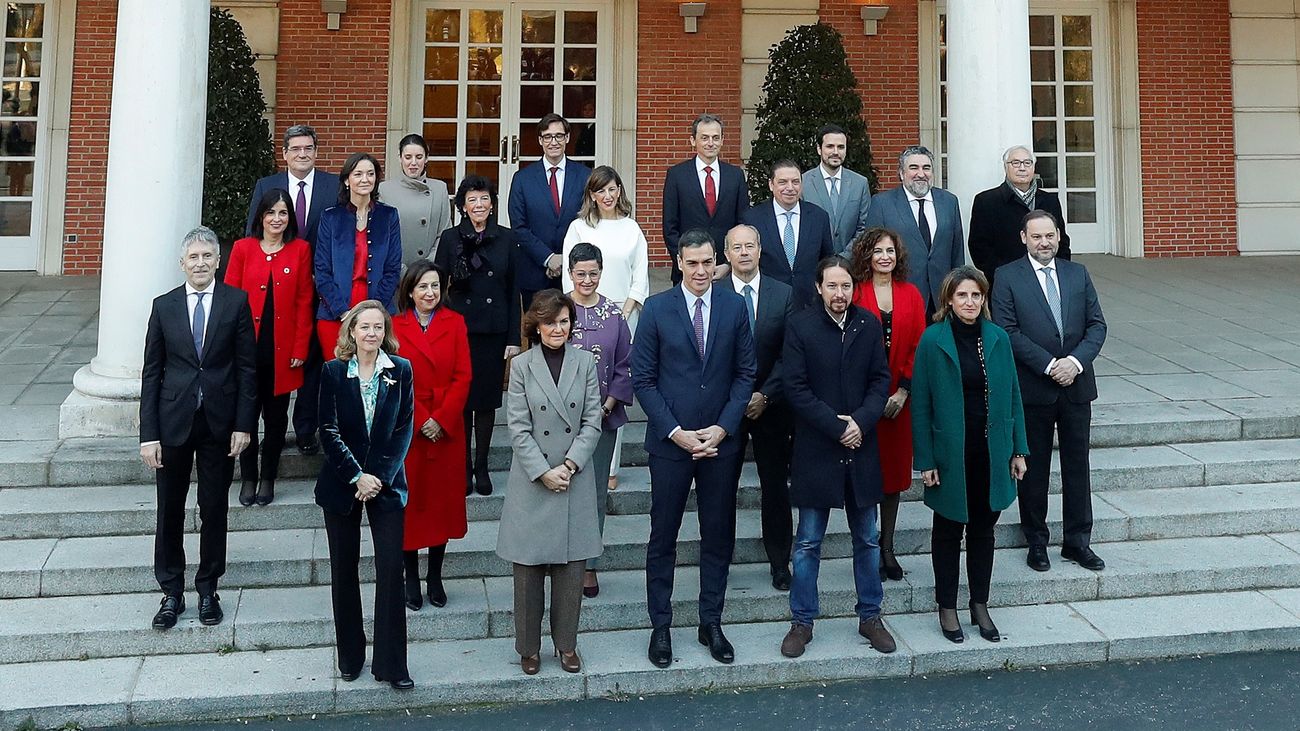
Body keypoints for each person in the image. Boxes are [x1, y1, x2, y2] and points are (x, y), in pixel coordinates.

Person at [632, 229, 755, 669]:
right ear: (679, 263)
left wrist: (722, 428)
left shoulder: (734, 306)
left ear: (716, 261)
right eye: (693, 263)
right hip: (671, 445)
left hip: (720, 444)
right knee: (662, 537)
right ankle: (660, 626)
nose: (701, 271)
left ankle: (711, 621)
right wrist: (676, 432)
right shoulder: (657, 309)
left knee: (717, 535)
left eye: (708, 262)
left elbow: (745, 374)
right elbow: (642, 379)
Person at [778, 256, 896, 658]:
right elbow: (795, 387)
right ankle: (802, 622)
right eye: (832, 286)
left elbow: (881, 380)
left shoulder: (868, 325)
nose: (839, 294)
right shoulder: (801, 326)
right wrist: (836, 425)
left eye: (845, 286)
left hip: (861, 449)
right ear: (819, 288)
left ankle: (870, 616)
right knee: (808, 541)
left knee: (867, 538)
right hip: (817, 449)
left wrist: (860, 423)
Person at [139, 226, 256, 630]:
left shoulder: (236, 302)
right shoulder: (164, 306)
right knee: (169, 511)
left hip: (220, 425)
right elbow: (151, 373)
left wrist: (244, 425)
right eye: (194, 257)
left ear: (218, 261)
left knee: (214, 509)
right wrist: (147, 435)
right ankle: (171, 592)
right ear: (182, 263)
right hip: (172, 424)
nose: (201, 263)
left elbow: (247, 368)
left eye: (208, 256)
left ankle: (208, 589)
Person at [911, 266, 1028, 644]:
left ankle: (980, 603)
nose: (970, 302)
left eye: (976, 295)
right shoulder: (933, 340)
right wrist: (925, 460)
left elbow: (1012, 395)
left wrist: (1019, 449)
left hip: (990, 452)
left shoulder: (997, 338)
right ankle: (947, 606)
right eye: (962, 295)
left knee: (983, 531)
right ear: (949, 299)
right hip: (950, 454)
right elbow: (922, 404)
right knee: (947, 532)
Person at [991, 210, 1107, 573]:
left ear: (1058, 237)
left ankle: (1077, 542)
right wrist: (1048, 365)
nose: (1044, 243)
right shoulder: (1007, 276)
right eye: (1037, 236)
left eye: (1050, 236)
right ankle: (1036, 542)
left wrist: (1074, 363)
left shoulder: (1077, 273)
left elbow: (1097, 326)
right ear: (1024, 238)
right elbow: (1008, 331)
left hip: (1076, 386)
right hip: (1033, 388)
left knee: (1077, 467)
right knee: (1034, 469)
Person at [497, 289, 604, 676]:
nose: (558, 328)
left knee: (571, 571)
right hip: (533, 479)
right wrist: (544, 470)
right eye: (550, 322)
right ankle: (528, 648)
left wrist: (571, 464)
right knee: (527, 573)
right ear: (536, 326)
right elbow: (518, 427)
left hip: (574, 477)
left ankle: (567, 645)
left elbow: (593, 419)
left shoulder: (585, 363)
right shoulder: (522, 366)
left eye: (564, 321)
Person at [315, 300, 415, 690]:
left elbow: (403, 429)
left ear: (385, 332)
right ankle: (350, 657)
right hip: (343, 484)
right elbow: (328, 429)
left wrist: (377, 476)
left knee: (391, 570)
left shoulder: (401, 371)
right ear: (351, 332)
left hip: (386, 485)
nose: (371, 334)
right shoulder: (334, 372)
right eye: (364, 327)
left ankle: (392, 665)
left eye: (378, 327)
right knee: (344, 570)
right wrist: (357, 475)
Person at [246, 124, 342, 456]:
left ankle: (305, 429)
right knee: (277, 360)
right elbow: (252, 234)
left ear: (316, 151)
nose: (302, 154)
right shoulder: (266, 186)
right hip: (280, 291)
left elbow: (340, 237)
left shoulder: (333, 186)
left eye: (309, 148)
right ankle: (266, 428)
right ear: (285, 153)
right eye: (296, 149)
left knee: (313, 362)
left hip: (324, 288)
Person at [560, 164, 649, 491]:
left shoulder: (632, 229)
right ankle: (574, 457)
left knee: (616, 386)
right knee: (580, 387)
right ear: (592, 195)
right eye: (601, 191)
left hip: (623, 318)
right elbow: (569, 274)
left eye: (613, 189)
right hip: (581, 318)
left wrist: (621, 313)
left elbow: (640, 276)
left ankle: (610, 466)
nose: (608, 196)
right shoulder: (579, 228)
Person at [224, 189, 314, 507]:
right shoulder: (242, 249)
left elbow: (305, 302)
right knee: (245, 417)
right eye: (271, 212)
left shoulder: (300, 250)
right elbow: (229, 301)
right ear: (260, 216)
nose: (277, 219)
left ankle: (267, 477)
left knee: (276, 422)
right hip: (246, 352)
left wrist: (301, 348)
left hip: (283, 353)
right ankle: (248, 476)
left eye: (283, 213)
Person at [391, 260, 472, 610]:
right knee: (412, 504)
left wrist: (441, 418)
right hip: (410, 426)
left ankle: (435, 576)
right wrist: (422, 418)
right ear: (410, 290)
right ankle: (410, 576)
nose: (430, 293)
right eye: (423, 286)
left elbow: (463, 376)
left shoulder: (455, 323)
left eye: (436, 286)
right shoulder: (394, 327)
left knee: (441, 505)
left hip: (447, 428)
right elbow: (392, 376)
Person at [434, 175, 522, 496]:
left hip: (493, 332)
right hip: (458, 331)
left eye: (484, 199)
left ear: (492, 204)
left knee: (485, 402)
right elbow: (437, 287)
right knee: (460, 402)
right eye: (472, 200)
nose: (479, 205)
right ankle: (461, 467)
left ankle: (481, 466)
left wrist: (514, 338)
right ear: (462, 206)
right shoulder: (450, 238)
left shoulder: (507, 239)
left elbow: (514, 292)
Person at [849, 227, 926, 581]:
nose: (885, 257)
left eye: (890, 251)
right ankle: (865, 546)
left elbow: (918, 346)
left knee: (894, 478)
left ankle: (887, 547)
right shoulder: (855, 292)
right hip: (862, 403)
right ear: (866, 255)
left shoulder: (911, 294)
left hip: (899, 403)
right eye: (878, 251)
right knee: (866, 476)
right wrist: (872, 399)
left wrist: (903, 392)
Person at [723, 223, 795, 590]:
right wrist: (739, 399)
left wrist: (765, 394)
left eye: (750, 245)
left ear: (760, 248)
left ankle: (780, 561)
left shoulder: (783, 294)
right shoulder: (715, 293)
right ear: (727, 254)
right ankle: (719, 560)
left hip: (772, 406)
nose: (745, 252)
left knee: (775, 488)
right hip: (726, 411)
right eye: (737, 247)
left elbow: (791, 353)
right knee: (722, 488)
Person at [566, 243, 633, 598]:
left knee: (592, 495)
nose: (587, 279)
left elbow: (625, 366)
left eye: (593, 273)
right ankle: (561, 562)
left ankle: (589, 565)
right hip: (558, 422)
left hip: (601, 420)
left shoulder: (613, 314)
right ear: (571, 274)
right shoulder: (558, 310)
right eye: (581, 274)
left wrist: (604, 408)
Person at [313, 152, 403, 356]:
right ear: (347, 180)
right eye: (358, 174)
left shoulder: (389, 216)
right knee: (340, 379)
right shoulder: (330, 217)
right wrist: (343, 312)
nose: (365, 179)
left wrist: (375, 312)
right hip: (335, 313)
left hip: (379, 312)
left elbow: (392, 268)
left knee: (375, 378)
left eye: (370, 174)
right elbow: (322, 270)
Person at [864, 146, 965, 317]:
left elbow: (957, 252)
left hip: (942, 299)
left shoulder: (949, 202)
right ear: (902, 173)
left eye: (926, 168)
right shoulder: (882, 204)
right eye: (913, 168)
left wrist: (958, 290)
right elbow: (870, 254)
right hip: (899, 297)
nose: (921, 173)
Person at [508, 113, 593, 308]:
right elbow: (519, 227)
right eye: (547, 136)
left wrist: (567, 259)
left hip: (577, 273)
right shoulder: (522, 179)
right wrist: (548, 258)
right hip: (535, 273)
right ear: (540, 140)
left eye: (558, 136)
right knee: (538, 334)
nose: (553, 142)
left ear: (567, 138)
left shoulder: (585, 176)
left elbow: (590, 221)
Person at [662, 113, 749, 285]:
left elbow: (742, 223)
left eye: (716, 138)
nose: (711, 143)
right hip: (687, 274)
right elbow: (670, 227)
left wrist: (729, 264)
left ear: (722, 140)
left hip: (726, 273)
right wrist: (689, 264)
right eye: (705, 138)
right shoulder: (676, 175)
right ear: (693, 141)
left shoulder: (735, 176)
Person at [968, 145, 1071, 291]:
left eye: (1027, 163)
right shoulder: (986, 201)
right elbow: (979, 247)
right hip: (1005, 282)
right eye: (1015, 163)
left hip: (1046, 279)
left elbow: (1062, 240)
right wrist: (1002, 275)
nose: (1022, 168)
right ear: (1005, 167)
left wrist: (1057, 271)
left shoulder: (1049, 200)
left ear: (1033, 167)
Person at [742, 159, 835, 310]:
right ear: (771, 185)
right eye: (783, 182)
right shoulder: (753, 218)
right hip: (768, 304)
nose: (790, 188)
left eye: (795, 182)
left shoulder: (819, 217)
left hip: (809, 304)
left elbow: (827, 259)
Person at [378, 133, 452, 266]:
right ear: (400, 158)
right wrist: (402, 271)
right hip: (396, 274)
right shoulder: (385, 190)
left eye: (419, 157)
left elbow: (444, 234)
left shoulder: (439, 189)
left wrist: (426, 269)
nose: (413, 163)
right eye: (408, 157)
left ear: (426, 158)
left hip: (429, 274)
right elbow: (382, 237)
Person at [801, 123, 872, 254]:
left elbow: (864, 228)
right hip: (814, 265)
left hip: (850, 265)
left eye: (840, 147)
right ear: (819, 149)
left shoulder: (860, 183)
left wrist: (845, 258)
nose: (835, 152)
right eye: (829, 146)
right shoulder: (803, 183)